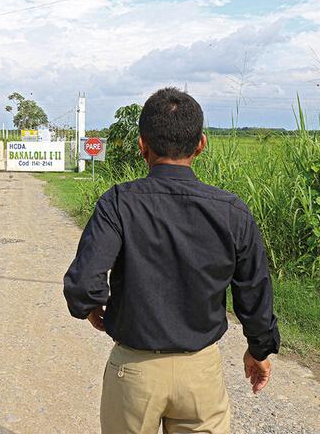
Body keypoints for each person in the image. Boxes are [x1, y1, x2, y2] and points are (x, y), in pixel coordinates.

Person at [63, 87, 279, 434]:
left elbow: (85, 281)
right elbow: (253, 291)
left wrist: (90, 305)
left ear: (142, 146)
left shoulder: (118, 203)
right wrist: (259, 349)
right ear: (201, 145)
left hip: (134, 371)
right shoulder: (231, 211)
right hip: (201, 373)